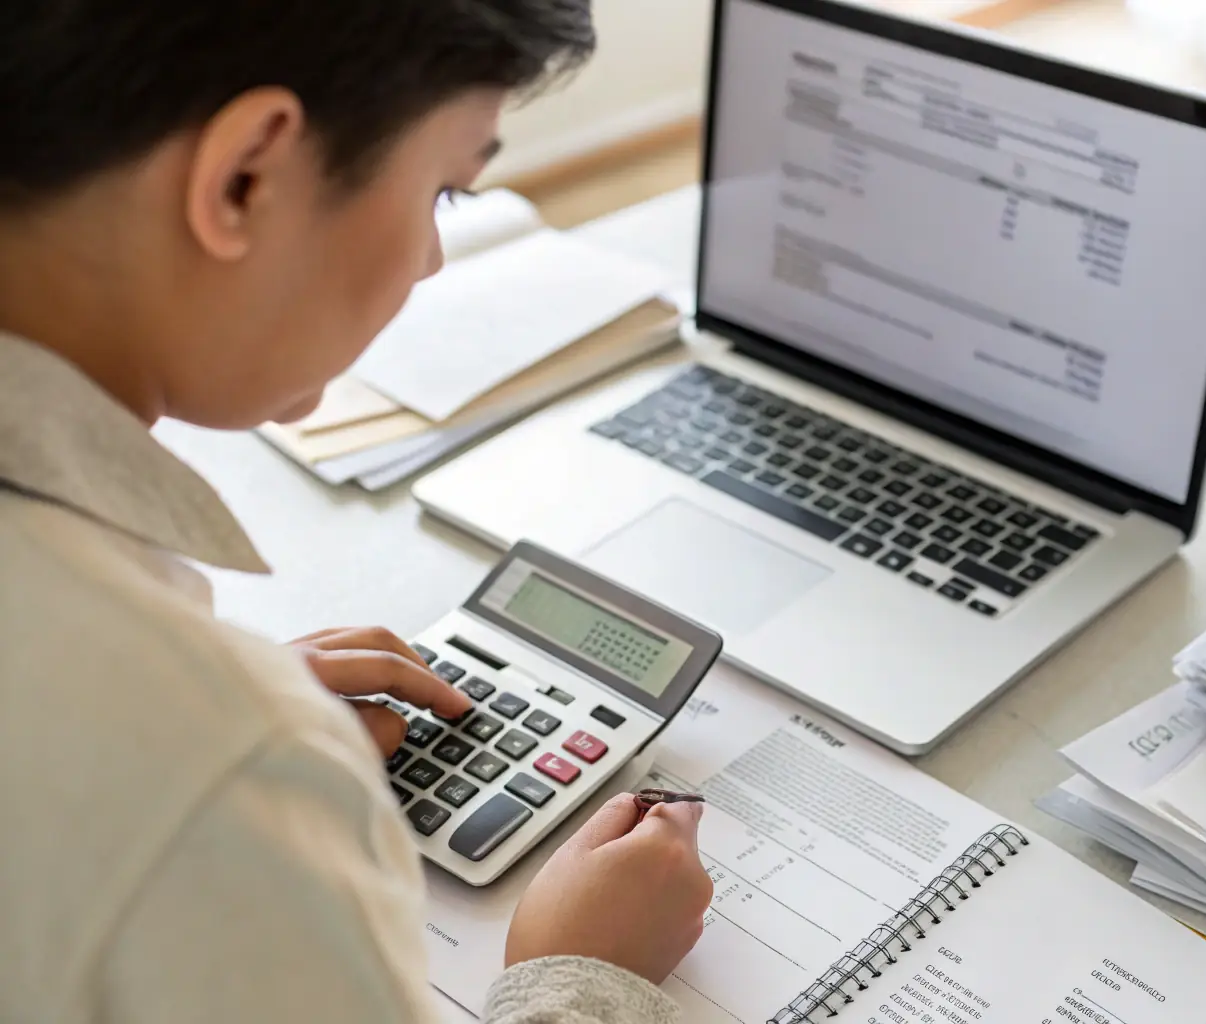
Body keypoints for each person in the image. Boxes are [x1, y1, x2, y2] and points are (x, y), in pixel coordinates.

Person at [0, 2, 713, 1022]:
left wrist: (211, 725)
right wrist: (582, 981)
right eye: (444, 191)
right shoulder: (215, 763)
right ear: (247, 177)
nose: (429, 261)